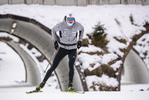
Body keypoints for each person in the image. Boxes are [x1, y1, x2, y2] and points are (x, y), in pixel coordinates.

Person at [35, 12, 84, 92]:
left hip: (72, 48)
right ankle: (42, 84)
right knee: (54, 66)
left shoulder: (77, 25)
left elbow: (82, 29)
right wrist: (55, 41)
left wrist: (80, 40)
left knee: (71, 66)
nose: (71, 21)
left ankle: (70, 85)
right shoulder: (61, 25)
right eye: (69, 19)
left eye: (72, 19)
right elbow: (53, 30)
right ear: (66, 18)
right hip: (63, 48)